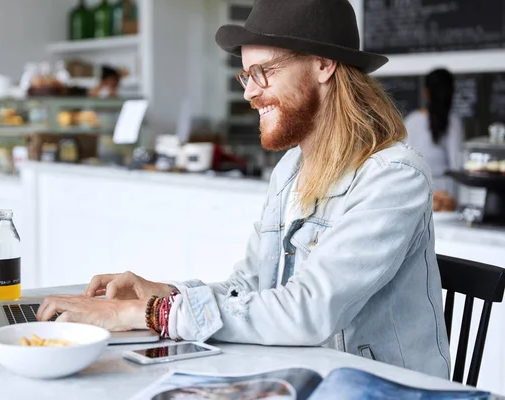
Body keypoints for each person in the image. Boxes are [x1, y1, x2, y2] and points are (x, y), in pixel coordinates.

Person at [37, 0, 451, 379]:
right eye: (245, 74)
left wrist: (149, 313)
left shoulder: (394, 176)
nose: (249, 91)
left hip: (380, 388)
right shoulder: (292, 169)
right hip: (303, 374)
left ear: (324, 65)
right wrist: (164, 293)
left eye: (263, 72)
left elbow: (308, 311)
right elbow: (251, 286)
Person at [404, 68, 464, 208]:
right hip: (446, 195)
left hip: (414, 191)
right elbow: (457, 165)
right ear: (452, 93)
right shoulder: (453, 123)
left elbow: (404, 161)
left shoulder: (410, 121)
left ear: (426, 92)